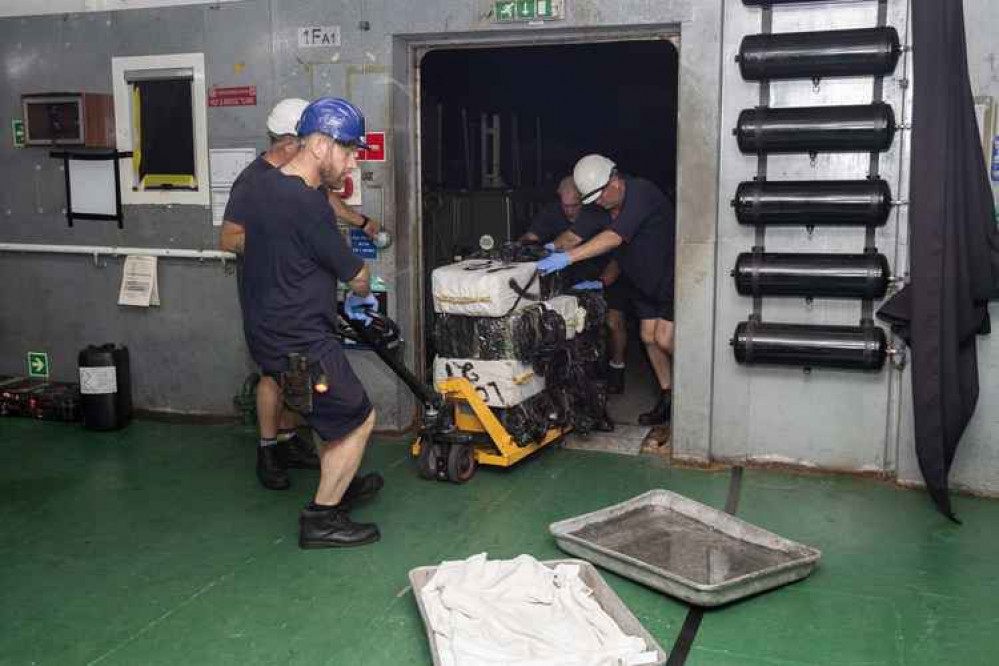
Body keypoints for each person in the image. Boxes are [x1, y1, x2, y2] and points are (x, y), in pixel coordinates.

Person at [240, 97, 384, 549]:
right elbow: (354, 274)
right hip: (302, 336)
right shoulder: (309, 205)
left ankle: (342, 482)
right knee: (359, 417)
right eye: (349, 151)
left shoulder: (262, 186)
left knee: (328, 415)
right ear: (320, 144)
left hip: (267, 331)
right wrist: (363, 289)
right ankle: (322, 517)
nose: (353, 161)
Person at [219, 98, 321, 489]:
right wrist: (279, 243)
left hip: (297, 293)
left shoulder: (295, 177)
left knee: (299, 369)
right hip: (266, 295)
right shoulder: (254, 182)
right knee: (274, 373)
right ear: (290, 142)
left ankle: (290, 439)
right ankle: (268, 451)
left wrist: (361, 222)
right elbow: (229, 239)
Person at [537, 154, 675, 426]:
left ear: (614, 181)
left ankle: (698, 394)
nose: (597, 204)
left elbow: (613, 238)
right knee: (648, 338)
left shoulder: (641, 192)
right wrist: (548, 249)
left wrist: (568, 258)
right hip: (642, 283)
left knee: (665, 339)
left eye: (599, 198)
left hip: (671, 278)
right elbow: (573, 236)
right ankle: (668, 397)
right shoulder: (599, 203)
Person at [517, 176, 583, 245]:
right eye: (565, 206)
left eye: (575, 205)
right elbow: (532, 235)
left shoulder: (592, 213)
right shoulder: (552, 211)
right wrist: (520, 244)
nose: (570, 211)